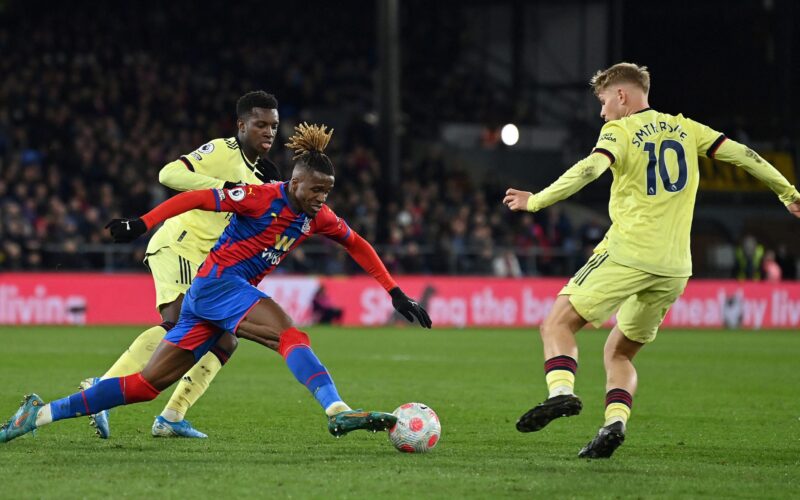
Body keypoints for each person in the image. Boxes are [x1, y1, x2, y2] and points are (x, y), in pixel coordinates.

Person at [0, 123, 431, 445]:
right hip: (219, 284)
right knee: (290, 335)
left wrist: (394, 292)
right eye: (316, 189)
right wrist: (143, 222)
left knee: (146, 386)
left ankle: (39, 414)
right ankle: (337, 409)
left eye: (328, 191)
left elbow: (357, 244)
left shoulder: (318, 216)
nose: (322, 198)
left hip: (207, 299)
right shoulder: (261, 197)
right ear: (295, 182)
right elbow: (196, 197)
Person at [503, 62, 800, 458]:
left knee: (556, 323)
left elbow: (591, 168)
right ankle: (614, 423)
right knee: (619, 352)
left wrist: (536, 200)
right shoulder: (687, 128)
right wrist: (788, 192)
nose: (602, 112)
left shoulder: (620, 130)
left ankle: (560, 393)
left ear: (621, 95)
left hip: (629, 251)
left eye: (604, 101)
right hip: (675, 267)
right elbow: (745, 155)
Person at [79, 91, 283, 440]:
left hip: (207, 262)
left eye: (274, 126)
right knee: (177, 324)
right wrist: (223, 187)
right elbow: (169, 174)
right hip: (180, 246)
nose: (268, 132)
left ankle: (172, 416)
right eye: (260, 124)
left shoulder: (261, 173)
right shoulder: (222, 150)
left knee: (225, 341)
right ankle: (102, 390)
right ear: (241, 125)